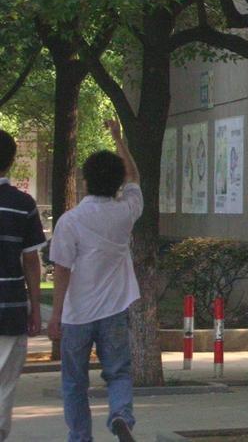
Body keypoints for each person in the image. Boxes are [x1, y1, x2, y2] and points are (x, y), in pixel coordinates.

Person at [48, 120, 142, 442]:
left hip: (77, 315)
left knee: (74, 382)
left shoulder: (70, 221)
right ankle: (120, 415)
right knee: (118, 373)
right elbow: (134, 177)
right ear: (118, 182)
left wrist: (55, 315)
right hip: (114, 310)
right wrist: (118, 138)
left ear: (85, 181)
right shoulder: (126, 212)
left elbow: (63, 270)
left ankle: (80, 437)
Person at [0, 130, 46, 442]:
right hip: (10, 308)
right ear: (12, 161)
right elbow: (31, 261)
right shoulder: (23, 204)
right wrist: (35, 308)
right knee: (4, 385)